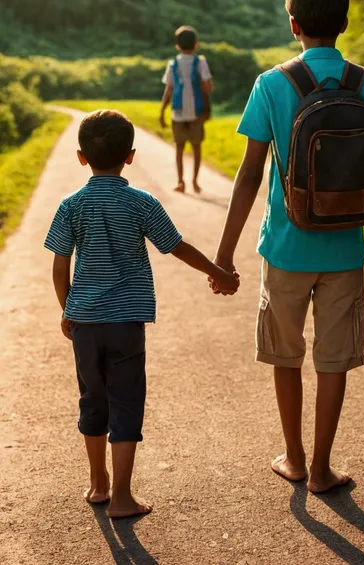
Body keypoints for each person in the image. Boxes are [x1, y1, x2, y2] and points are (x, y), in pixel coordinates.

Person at [211, 0, 364, 493]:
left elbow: (250, 174)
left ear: (293, 25)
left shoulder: (271, 84)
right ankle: (321, 468)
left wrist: (224, 255)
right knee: (333, 359)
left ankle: (292, 458)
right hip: (344, 248)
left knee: (285, 354)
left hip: (286, 246)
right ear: (344, 24)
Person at [44, 109, 238, 519]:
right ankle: (123, 497)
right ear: (130, 156)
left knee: (92, 399)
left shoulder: (70, 206)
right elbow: (176, 245)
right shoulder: (141, 203)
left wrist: (69, 310)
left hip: (86, 324)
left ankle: (98, 485)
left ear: (81, 157)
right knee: (127, 401)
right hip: (127, 323)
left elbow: (60, 266)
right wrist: (218, 273)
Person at [160, 25, 213, 194]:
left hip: (177, 112)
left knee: (179, 148)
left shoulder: (172, 64)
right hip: (196, 113)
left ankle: (180, 181)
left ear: (177, 45)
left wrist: (162, 112)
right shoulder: (201, 62)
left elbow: (168, 90)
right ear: (196, 44)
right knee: (196, 148)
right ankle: (195, 182)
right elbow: (207, 87)